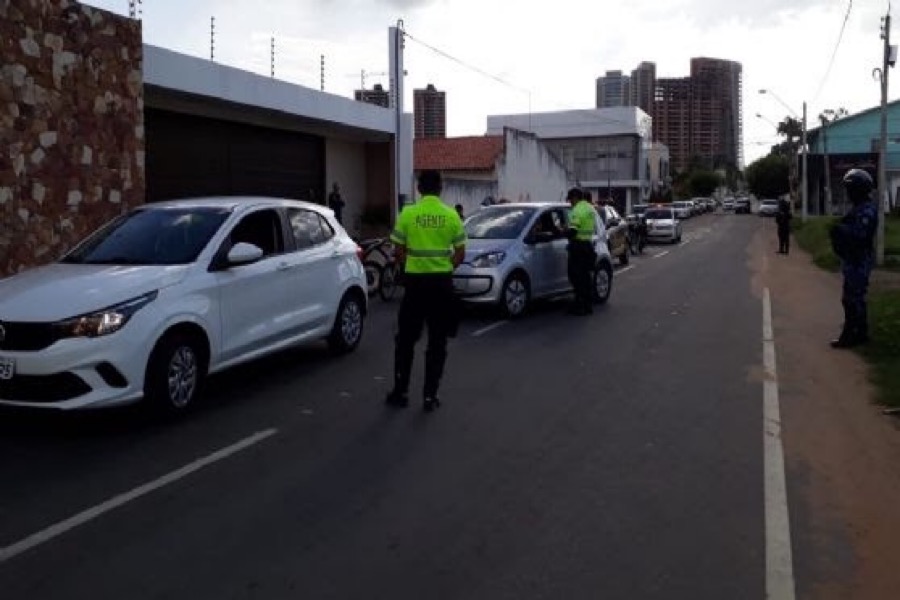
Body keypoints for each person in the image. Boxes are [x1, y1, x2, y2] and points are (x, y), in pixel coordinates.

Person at [386, 170, 467, 412]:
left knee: (406, 340)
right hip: (441, 286)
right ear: (440, 188)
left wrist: (410, 264)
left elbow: (397, 248)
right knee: (437, 341)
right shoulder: (451, 215)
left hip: (414, 286)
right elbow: (460, 253)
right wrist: (443, 268)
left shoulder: (408, 213)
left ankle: (401, 392)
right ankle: (430, 397)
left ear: (419, 188)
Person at [829, 168, 878, 348]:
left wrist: (841, 230)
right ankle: (860, 332)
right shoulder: (858, 209)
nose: (848, 193)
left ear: (858, 190)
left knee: (852, 298)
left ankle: (851, 335)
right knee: (854, 297)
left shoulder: (866, 211)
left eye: (850, 189)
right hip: (853, 259)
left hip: (859, 260)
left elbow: (860, 235)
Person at [565, 187, 597, 316]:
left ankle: (580, 306)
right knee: (586, 277)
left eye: (570, 200)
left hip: (577, 247)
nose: (570, 203)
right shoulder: (590, 208)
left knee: (576, 277)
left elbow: (573, 231)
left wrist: (562, 231)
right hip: (588, 246)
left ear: (575, 198)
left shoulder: (577, 210)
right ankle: (588, 305)